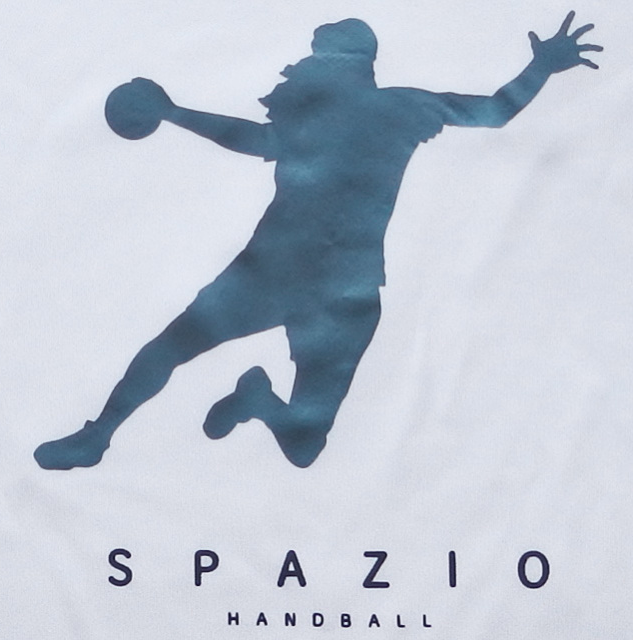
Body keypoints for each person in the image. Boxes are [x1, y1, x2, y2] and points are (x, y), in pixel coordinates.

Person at [34, 14, 601, 470]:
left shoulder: (380, 108)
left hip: (326, 283)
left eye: (322, 50)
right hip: (300, 274)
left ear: (349, 60)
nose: (310, 59)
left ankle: (253, 402)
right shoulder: (358, 110)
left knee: (302, 445)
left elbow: (492, 114)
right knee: (174, 348)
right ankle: (97, 436)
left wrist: (175, 112)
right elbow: (493, 111)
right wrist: (541, 67)